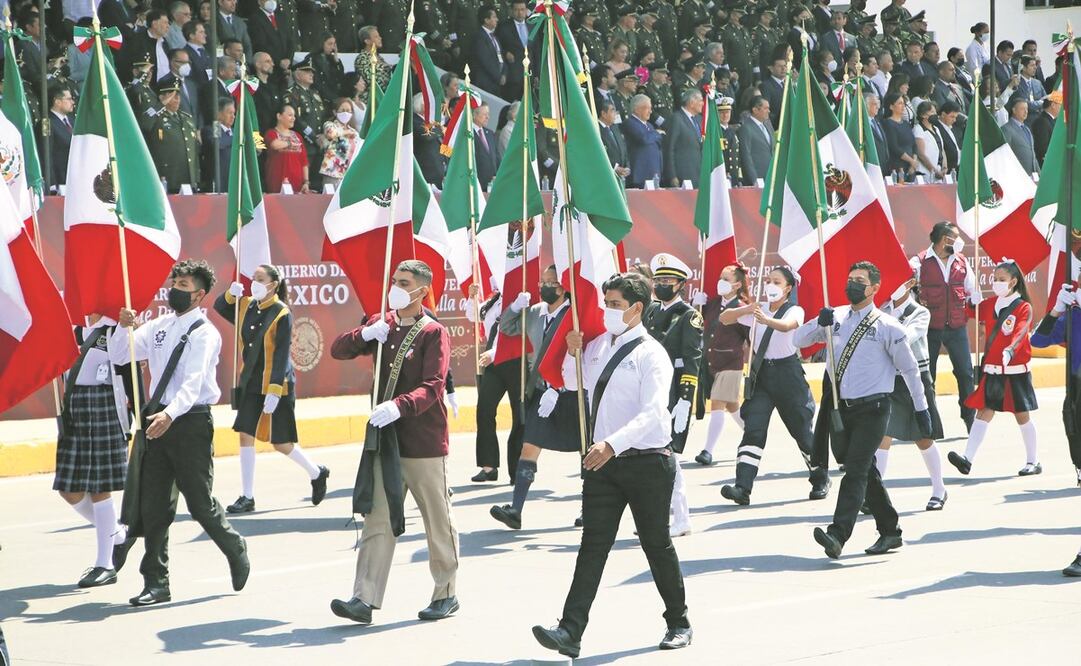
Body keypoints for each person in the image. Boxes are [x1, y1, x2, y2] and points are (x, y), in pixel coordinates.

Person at [531, 272, 691, 659]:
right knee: (592, 546)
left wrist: (611, 444)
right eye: (606, 303)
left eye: (616, 305)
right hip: (603, 464)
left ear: (637, 308)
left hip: (646, 463)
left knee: (656, 543)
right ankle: (570, 630)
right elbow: (575, 384)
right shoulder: (599, 344)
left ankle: (678, 621)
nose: (608, 311)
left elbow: (655, 415)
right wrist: (572, 353)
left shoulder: (652, 354)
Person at [111, 260, 250, 606]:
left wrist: (170, 416)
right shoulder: (159, 325)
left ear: (199, 294)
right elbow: (119, 354)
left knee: (200, 503)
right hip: (158, 420)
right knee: (154, 506)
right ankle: (156, 582)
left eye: (184, 284)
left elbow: (192, 384)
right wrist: (122, 327)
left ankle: (234, 546)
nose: (175, 288)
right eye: (175, 281)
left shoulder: (205, 333)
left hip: (189, 423)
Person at [328, 260, 459, 625]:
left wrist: (400, 406)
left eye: (404, 282)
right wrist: (365, 336)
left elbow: (434, 385)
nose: (396, 287)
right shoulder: (381, 324)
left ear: (421, 291)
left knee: (438, 520)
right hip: (386, 442)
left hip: (423, 442)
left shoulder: (433, 332)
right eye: (395, 280)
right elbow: (339, 350)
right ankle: (364, 598)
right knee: (377, 519)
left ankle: (445, 592)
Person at [796, 261, 931, 559]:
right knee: (864, 470)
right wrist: (818, 322)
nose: (852, 284)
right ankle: (890, 531)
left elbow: (910, 370)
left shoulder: (888, 326)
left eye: (859, 280)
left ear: (874, 288)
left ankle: (837, 534)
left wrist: (922, 410)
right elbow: (798, 341)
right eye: (850, 279)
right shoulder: (837, 317)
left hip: (874, 408)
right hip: (841, 409)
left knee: (855, 470)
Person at [213, 265, 330, 514]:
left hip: (276, 383)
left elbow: (281, 354)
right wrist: (230, 295)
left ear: (273, 284)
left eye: (260, 279)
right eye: (253, 278)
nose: (254, 282)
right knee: (245, 433)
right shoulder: (246, 306)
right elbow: (221, 308)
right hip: (251, 382)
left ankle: (316, 472)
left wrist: (275, 390)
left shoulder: (281, 312)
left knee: (281, 443)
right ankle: (247, 496)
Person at [720, 267, 830, 506]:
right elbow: (724, 319)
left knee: (801, 430)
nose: (770, 285)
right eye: (768, 280)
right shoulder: (756, 308)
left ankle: (820, 478)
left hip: (787, 375)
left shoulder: (794, 309)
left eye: (776, 282)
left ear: (788, 288)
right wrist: (747, 309)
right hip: (763, 376)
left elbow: (789, 326)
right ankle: (743, 487)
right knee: (754, 429)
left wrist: (765, 319)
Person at [489, 266, 581, 530]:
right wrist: (517, 307)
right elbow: (507, 326)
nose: (545, 286)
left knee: (586, 451)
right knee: (529, 446)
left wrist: (562, 384)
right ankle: (516, 510)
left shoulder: (575, 316)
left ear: (564, 287)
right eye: (543, 281)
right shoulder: (536, 312)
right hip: (542, 391)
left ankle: (589, 507)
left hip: (571, 392)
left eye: (551, 282)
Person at [54, 314, 133, 588]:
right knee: (69, 490)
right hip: (74, 407)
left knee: (101, 487)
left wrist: (123, 326)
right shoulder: (72, 328)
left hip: (104, 405)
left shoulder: (114, 327)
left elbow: (124, 358)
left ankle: (105, 564)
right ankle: (118, 534)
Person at [948, 260, 1040, 477]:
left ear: (1013, 281)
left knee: (1021, 415)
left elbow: (1020, 332)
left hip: (1015, 370)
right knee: (984, 411)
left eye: (1001, 279)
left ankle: (1033, 461)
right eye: (995, 279)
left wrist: (1010, 350)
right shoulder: (990, 304)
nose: (997, 283)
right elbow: (971, 312)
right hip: (993, 369)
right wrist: (972, 302)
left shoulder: (1023, 307)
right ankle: (967, 459)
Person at [876, 270, 948, 511]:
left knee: (923, 436)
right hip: (889, 380)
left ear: (909, 283)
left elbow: (907, 336)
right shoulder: (882, 309)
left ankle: (939, 488)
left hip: (915, 378)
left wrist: (882, 331)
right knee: (882, 435)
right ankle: (876, 493)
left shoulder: (919, 312)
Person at [642, 254, 702, 537]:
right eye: (658, 280)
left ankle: (681, 517)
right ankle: (660, 518)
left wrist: (685, 399)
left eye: (667, 281)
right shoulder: (651, 311)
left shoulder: (689, 316)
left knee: (669, 457)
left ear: (680, 284)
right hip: (650, 387)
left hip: (673, 391)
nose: (661, 285)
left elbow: (692, 360)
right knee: (652, 458)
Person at [914, 221, 979, 432]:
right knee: (928, 376)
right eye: (956, 236)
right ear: (945, 239)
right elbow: (907, 291)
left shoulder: (961, 261)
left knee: (965, 373)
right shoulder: (918, 262)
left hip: (957, 326)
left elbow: (970, 288)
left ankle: (970, 417)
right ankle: (929, 422)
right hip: (929, 328)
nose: (959, 241)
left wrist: (975, 297)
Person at [692, 262, 750, 466]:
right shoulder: (714, 303)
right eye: (720, 278)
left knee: (716, 403)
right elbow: (697, 322)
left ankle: (707, 450)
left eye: (726, 279)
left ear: (737, 285)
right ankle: (754, 436)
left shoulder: (742, 308)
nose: (721, 282)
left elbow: (750, 337)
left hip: (731, 364)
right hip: (711, 362)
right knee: (732, 406)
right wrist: (696, 305)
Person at [466, 284, 523, 484]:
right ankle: (488, 467)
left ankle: (518, 470)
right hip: (493, 364)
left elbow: (519, 333)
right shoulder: (494, 301)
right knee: (484, 411)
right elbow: (474, 316)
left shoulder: (522, 296)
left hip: (517, 361)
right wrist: (472, 298)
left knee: (520, 415)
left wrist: (494, 352)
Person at [1031, 281, 1080, 486]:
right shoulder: (1074, 316)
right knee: (1073, 421)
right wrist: (1057, 310)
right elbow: (1038, 340)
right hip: (1078, 381)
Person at [148, 75, 201, 193]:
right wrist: (161, 105)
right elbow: (145, 123)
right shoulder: (157, 117)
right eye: (172, 96)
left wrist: (196, 177)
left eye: (178, 96)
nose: (177, 99)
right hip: (168, 179)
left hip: (188, 179)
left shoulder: (186, 118)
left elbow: (193, 150)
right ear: (162, 97)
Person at [264, 103, 310, 192]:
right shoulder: (271, 133)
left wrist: (306, 182)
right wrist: (290, 143)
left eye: (294, 116)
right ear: (279, 116)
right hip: (277, 184)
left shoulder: (298, 136)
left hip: (297, 184)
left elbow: (304, 162)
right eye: (290, 115)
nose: (293, 118)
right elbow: (275, 145)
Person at [663, 89, 703, 188]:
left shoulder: (699, 119)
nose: (702, 103)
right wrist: (672, 175)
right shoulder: (676, 118)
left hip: (699, 175)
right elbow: (669, 148)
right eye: (700, 100)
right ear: (691, 103)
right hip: (682, 176)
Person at [318, 98, 360, 189]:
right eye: (342, 110)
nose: (345, 113)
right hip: (332, 173)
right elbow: (331, 133)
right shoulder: (329, 125)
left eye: (348, 111)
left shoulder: (354, 132)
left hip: (348, 175)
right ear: (335, 112)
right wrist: (345, 133)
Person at [623, 94, 663, 188]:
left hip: (654, 173)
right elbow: (644, 139)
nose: (650, 111)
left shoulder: (649, 125)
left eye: (651, 108)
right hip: (639, 175)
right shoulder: (630, 123)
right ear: (637, 109)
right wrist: (657, 133)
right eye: (647, 108)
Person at [736, 95, 773, 186]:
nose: (769, 111)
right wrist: (754, 179)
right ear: (755, 110)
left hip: (770, 176)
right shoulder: (746, 128)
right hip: (758, 179)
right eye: (765, 108)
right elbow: (746, 156)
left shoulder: (767, 126)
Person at [882, 92, 917, 182]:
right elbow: (894, 147)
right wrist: (911, 161)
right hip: (897, 166)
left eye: (903, 103)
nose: (903, 106)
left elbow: (914, 144)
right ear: (891, 107)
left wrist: (914, 161)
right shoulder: (888, 124)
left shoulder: (905, 123)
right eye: (900, 103)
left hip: (911, 166)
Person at [1001, 97, 1040, 176]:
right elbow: (1005, 154)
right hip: (1017, 176)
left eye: (1027, 109)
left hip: (1032, 176)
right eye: (1022, 109)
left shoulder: (1027, 129)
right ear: (1014, 110)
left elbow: (1032, 153)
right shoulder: (1006, 129)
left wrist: (1039, 173)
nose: (1026, 112)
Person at [48, 86, 75, 189]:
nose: (72, 102)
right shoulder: (48, 123)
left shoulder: (72, 121)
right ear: (57, 101)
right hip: (61, 181)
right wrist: (52, 183)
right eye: (68, 99)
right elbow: (47, 155)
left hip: (75, 177)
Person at [912, 101, 944, 181]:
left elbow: (941, 149)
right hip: (925, 173)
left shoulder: (936, 129)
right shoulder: (918, 129)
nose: (935, 114)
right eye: (932, 112)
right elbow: (921, 154)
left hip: (939, 171)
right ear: (923, 115)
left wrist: (944, 167)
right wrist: (933, 170)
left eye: (935, 112)